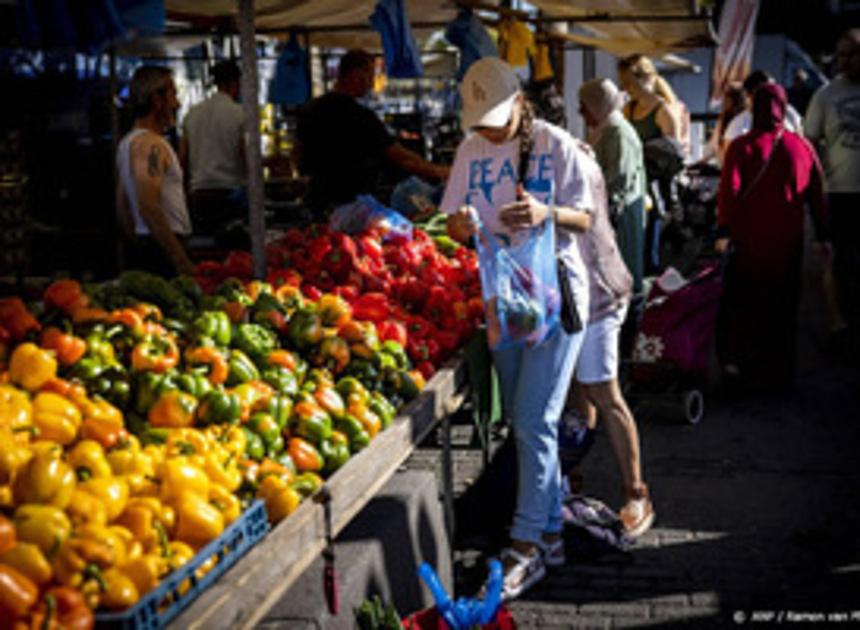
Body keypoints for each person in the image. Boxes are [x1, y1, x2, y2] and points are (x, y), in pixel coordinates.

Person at [442, 58, 592, 600]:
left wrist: (546, 212)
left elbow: (588, 218)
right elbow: (453, 218)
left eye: (496, 120)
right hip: (502, 304)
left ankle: (525, 546)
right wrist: (458, 225)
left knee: (533, 421)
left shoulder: (556, 144)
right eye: (479, 122)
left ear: (521, 105)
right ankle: (551, 533)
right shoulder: (469, 149)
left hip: (556, 299)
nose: (488, 131)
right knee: (529, 425)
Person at [560, 125, 655, 538]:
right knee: (574, 393)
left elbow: (580, 222)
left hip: (598, 292)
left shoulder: (573, 162)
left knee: (602, 389)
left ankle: (637, 492)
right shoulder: (557, 158)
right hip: (568, 296)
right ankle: (571, 483)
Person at [715, 84, 830, 391]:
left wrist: (724, 229)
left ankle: (744, 371)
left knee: (746, 307)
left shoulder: (741, 146)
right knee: (783, 307)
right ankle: (779, 374)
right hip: (788, 244)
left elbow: (729, 192)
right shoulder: (802, 147)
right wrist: (823, 234)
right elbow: (818, 195)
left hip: (749, 244)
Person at [296, 49, 448, 219]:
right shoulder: (359, 116)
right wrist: (439, 171)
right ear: (356, 74)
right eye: (370, 75)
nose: (371, 83)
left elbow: (298, 154)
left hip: (315, 200)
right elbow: (401, 157)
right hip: (350, 204)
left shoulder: (310, 109)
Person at [805, 29, 860, 340]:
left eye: (852, 54)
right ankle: (839, 324)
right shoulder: (825, 96)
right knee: (836, 261)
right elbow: (809, 144)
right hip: (839, 193)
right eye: (840, 55)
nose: (845, 61)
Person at [116, 65, 194, 276]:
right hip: (163, 249)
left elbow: (123, 206)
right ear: (156, 100)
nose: (177, 103)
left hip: (151, 246)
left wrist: (140, 243)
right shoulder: (150, 145)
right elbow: (148, 205)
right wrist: (180, 260)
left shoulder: (129, 142)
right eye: (173, 95)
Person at [617, 54, 686, 274]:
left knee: (649, 251)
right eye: (624, 83)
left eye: (630, 82)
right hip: (631, 187)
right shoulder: (627, 109)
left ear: (646, 78)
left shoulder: (664, 111)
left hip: (653, 192)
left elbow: (673, 158)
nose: (627, 88)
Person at [578, 78, 647, 295]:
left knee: (624, 267)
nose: (580, 112)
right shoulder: (604, 130)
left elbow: (620, 176)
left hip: (623, 212)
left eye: (585, 106)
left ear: (598, 105)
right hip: (610, 210)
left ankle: (631, 321)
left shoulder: (618, 132)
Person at [179, 60, 247, 242]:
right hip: (230, 196)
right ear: (235, 83)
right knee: (233, 250)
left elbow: (182, 159)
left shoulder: (192, 113)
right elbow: (246, 155)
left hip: (199, 196)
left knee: (205, 249)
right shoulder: (239, 113)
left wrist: (185, 195)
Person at [723, 70, 804, 145]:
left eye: (775, 92)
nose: (773, 100)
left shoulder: (790, 114)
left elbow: (801, 143)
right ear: (749, 97)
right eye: (767, 95)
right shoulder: (737, 127)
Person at [703, 82, 745, 165]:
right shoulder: (724, 118)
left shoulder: (740, 120)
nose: (723, 102)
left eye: (726, 98)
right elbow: (713, 146)